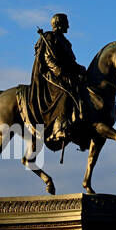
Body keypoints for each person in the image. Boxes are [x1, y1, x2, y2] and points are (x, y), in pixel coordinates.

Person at [30, 13, 87, 151]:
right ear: (59, 23)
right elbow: (48, 59)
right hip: (50, 75)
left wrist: (80, 69)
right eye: (66, 22)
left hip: (65, 74)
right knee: (65, 92)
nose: (68, 25)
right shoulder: (49, 37)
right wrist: (60, 72)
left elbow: (70, 62)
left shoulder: (65, 41)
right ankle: (59, 128)